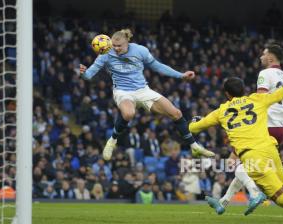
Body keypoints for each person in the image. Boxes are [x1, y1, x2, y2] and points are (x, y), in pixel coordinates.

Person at [189, 50, 283, 221]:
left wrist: (194, 121)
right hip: (271, 146)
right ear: (244, 90)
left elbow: (194, 128)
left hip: (252, 156)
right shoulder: (257, 100)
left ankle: (269, 195)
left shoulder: (221, 111)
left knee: (282, 199)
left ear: (227, 94)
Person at [79, 29, 214, 160]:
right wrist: (84, 73)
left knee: (176, 113)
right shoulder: (106, 54)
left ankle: (194, 146)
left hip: (143, 90)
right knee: (129, 114)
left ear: (127, 43)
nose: (116, 48)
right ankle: (112, 141)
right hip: (122, 91)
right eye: (114, 45)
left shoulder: (140, 50)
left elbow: (157, 66)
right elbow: (89, 75)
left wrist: (181, 75)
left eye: (119, 46)